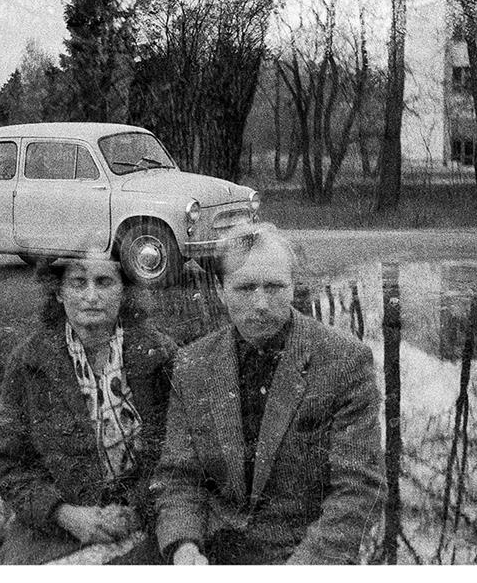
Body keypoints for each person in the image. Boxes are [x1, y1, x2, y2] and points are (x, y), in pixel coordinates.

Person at [152, 223, 385, 564]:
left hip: (306, 555)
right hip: (214, 551)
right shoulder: (193, 363)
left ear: (293, 287)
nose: (261, 304)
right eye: (245, 288)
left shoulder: (344, 361)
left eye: (275, 287)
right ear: (220, 290)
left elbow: (358, 490)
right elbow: (179, 477)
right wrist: (184, 548)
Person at [0, 256, 177, 564]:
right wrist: (65, 515)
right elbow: (9, 465)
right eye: (78, 283)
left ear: (124, 290)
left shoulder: (160, 355)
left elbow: (178, 455)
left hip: (149, 517)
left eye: (104, 282)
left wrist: (135, 510)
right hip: (58, 526)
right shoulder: (29, 361)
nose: (91, 296)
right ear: (59, 292)